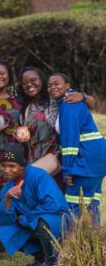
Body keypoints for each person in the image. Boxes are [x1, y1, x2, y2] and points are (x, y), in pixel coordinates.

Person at [0, 143, 68, 266]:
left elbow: (52, 205)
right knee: (5, 232)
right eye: (4, 166)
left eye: (12, 166)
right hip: (31, 223)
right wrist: (7, 198)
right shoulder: (8, 186)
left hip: (57, 222)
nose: (7, 170)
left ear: (22, 167)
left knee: (41, 223)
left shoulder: (38, 176)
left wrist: (25, 219)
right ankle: (40, 256)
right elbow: (6, 221)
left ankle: (51, 261)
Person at [48, 73, 106, 225]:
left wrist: (67, 169)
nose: (52, 87)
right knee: (92, 205)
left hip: (87, 158)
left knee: (72, 207)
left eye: (57, 83)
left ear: (67, 86)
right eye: (50, 85)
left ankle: (68, 246)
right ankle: (95, 245)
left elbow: (70, 141)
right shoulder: (69, 101)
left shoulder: (68, 105)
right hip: (98, 157)